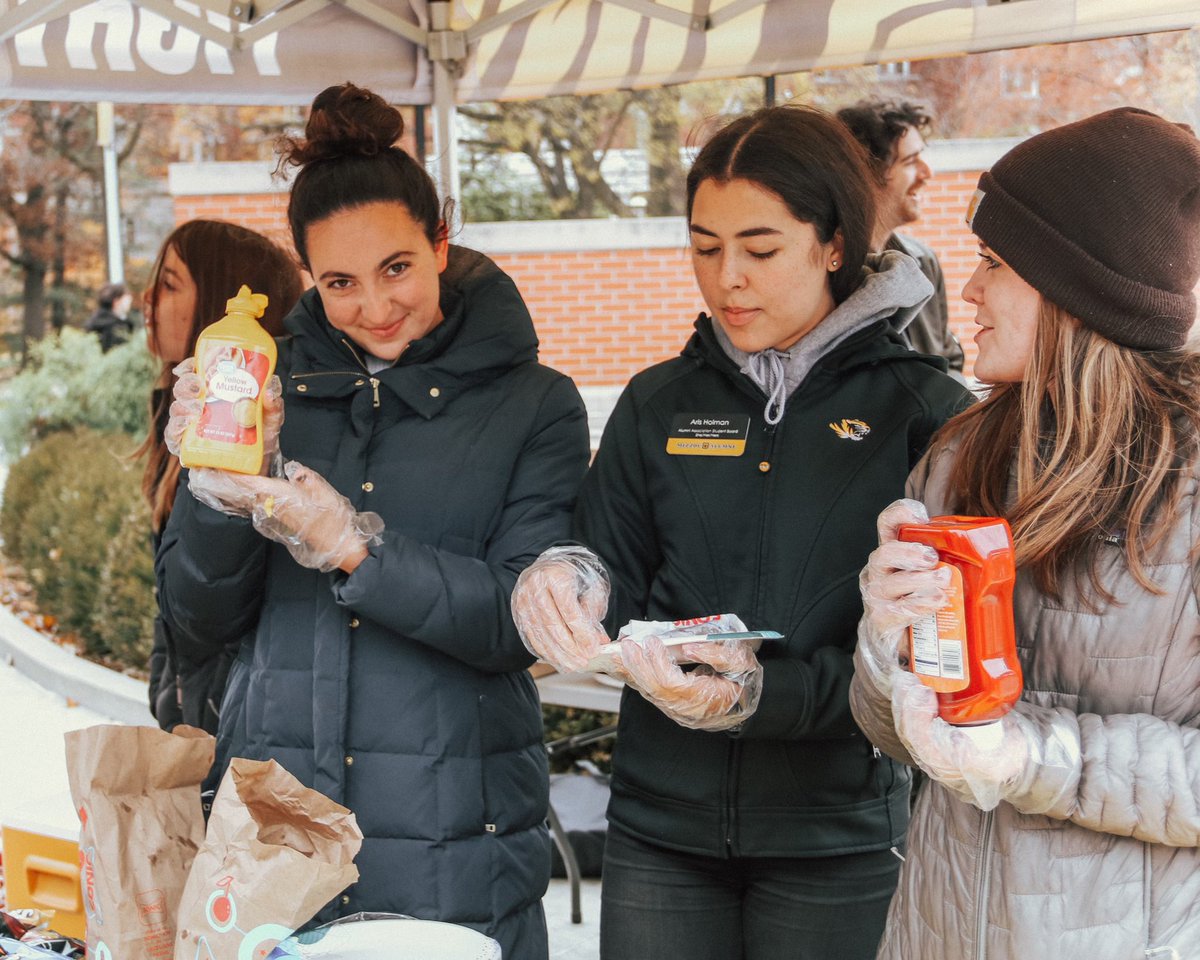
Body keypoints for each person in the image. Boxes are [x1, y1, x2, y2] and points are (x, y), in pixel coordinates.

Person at [512, 104, 971, 960]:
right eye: (704, 247)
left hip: (836, 841)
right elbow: (606, 566)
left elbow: (931, 664)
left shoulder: (926, 414)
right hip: (659, 831)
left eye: (760, 250)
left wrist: (764, 697)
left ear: (834, 242)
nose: (727, 279)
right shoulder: (656, 403)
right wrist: (569, 583)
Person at [155, 82, 590, 958]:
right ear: (309, 279)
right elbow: (196, 619)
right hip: (280, 838)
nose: (376, 306)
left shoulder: (535, 405)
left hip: (456, 837)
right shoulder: (269, 395)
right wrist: (215, 483)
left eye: (397, 268)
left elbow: (519, 625)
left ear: (439, 242)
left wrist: (355, 549)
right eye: (340, 283)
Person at [849, 107, 1200, 959]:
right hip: (937, 931)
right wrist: (885, 643)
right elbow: (894, 729)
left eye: (994, 263)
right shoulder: (959, 455)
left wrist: (1024, 756)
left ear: (1079, 290)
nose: (964, 290)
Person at [140, 219, 304, 733]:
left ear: (217, 308)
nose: (147, 299)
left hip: (238, 728)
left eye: (169, 284)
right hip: (193, 717)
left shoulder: (265, 429)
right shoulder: (180, 411)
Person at [838, 101, 965, 377]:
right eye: (910, 161)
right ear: (865, 174)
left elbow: (950, 361)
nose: (927, 173)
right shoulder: (830, 276)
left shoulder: (923, 261)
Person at [85, 281, 135, 352]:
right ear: (116, 301)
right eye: (126, 300)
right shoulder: (116, 327)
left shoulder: (94, 322)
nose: (130, 303)